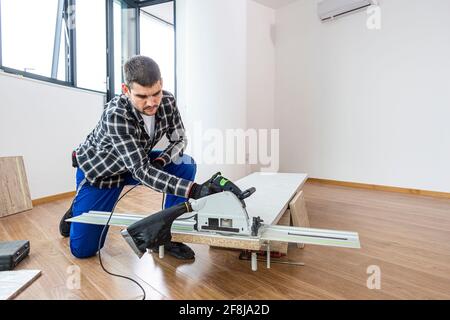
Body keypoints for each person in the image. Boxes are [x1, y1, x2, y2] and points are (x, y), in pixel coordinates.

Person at [59, 55, 220, 260]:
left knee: (185, 163)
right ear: (126, 90)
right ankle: (76, 210)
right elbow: (141, 171)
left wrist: (163, 159)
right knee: (84, 251)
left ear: (161, 83)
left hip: (137, 160)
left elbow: (179, 139)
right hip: (102, 172)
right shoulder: (116, 113)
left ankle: (165, 234)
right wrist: (194, 190)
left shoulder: (168, 101)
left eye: (156, 93)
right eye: (142, 97)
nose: (152, 103)